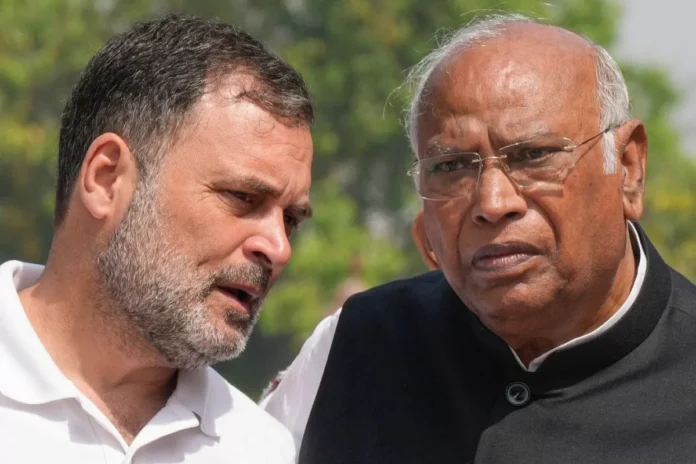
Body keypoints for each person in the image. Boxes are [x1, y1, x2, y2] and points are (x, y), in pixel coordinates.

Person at [262, 13, 696, 463]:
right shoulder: (356, 346)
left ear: (628, 169)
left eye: (534, 155)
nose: (492, 202)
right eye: (451, 166)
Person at [0, 14, 313, 463]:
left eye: (291, 220)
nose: (278, 248)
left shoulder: (260, 448)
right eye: (242, 197)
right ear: (107, 179)